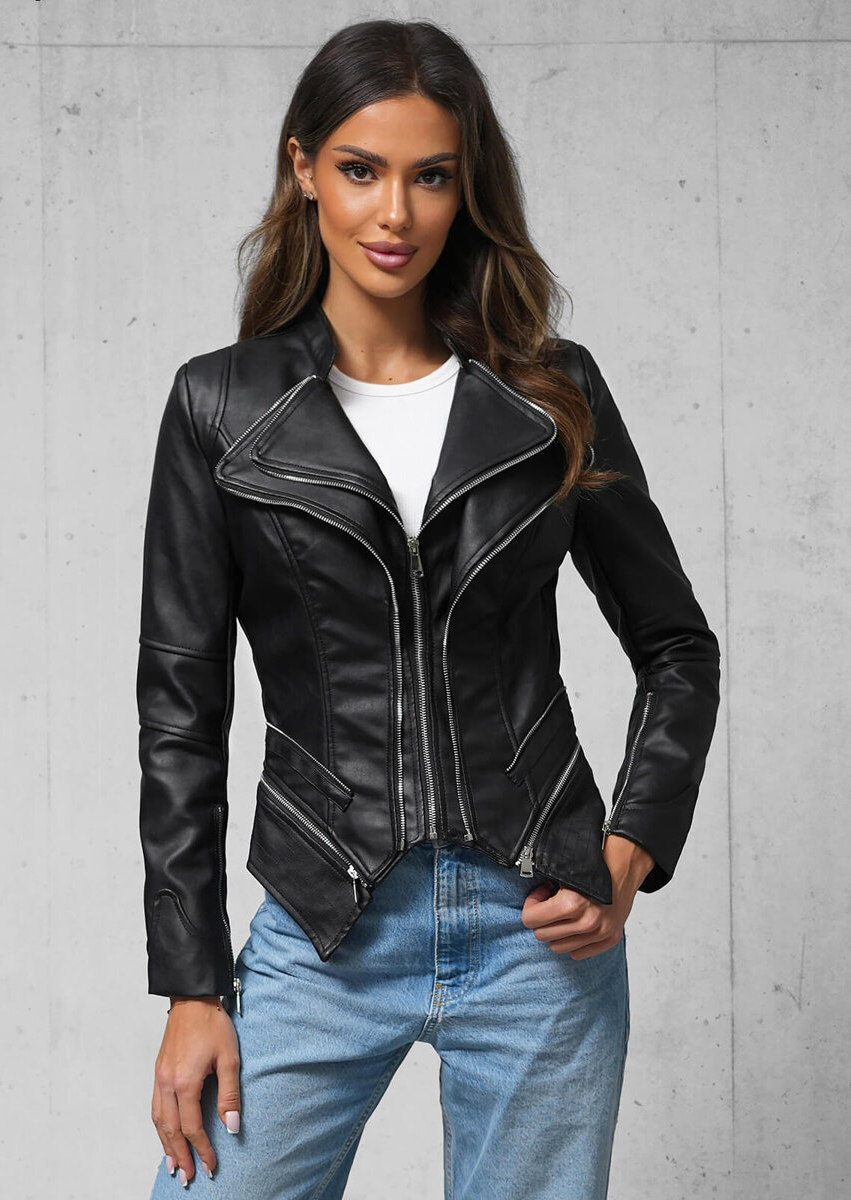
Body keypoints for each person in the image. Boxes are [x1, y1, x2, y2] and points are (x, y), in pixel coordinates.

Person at [139, 18, 721, 1198]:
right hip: (325, 921)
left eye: (431, 176)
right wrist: (192, 985)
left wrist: (630, 850)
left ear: (467, 187)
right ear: (305, 168)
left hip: (537, 930)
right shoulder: (221, 407)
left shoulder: (550, 393)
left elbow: (677, 648)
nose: (394, 213)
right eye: (361, 170)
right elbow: (180, 716)